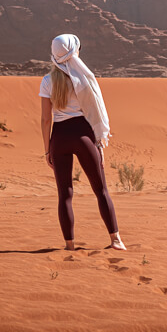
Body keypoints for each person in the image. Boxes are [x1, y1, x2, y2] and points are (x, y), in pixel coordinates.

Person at [39, 34, 126, 251]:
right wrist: (99, 143)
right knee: (101, 190)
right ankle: (116, 240)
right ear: (74, 51)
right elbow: (94, 111)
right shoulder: (84, 78)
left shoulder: (48, 81)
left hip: (59, 138)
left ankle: (69, 245)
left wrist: (47, 149)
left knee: (65, 195)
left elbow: (45, 119)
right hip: (84, 136)